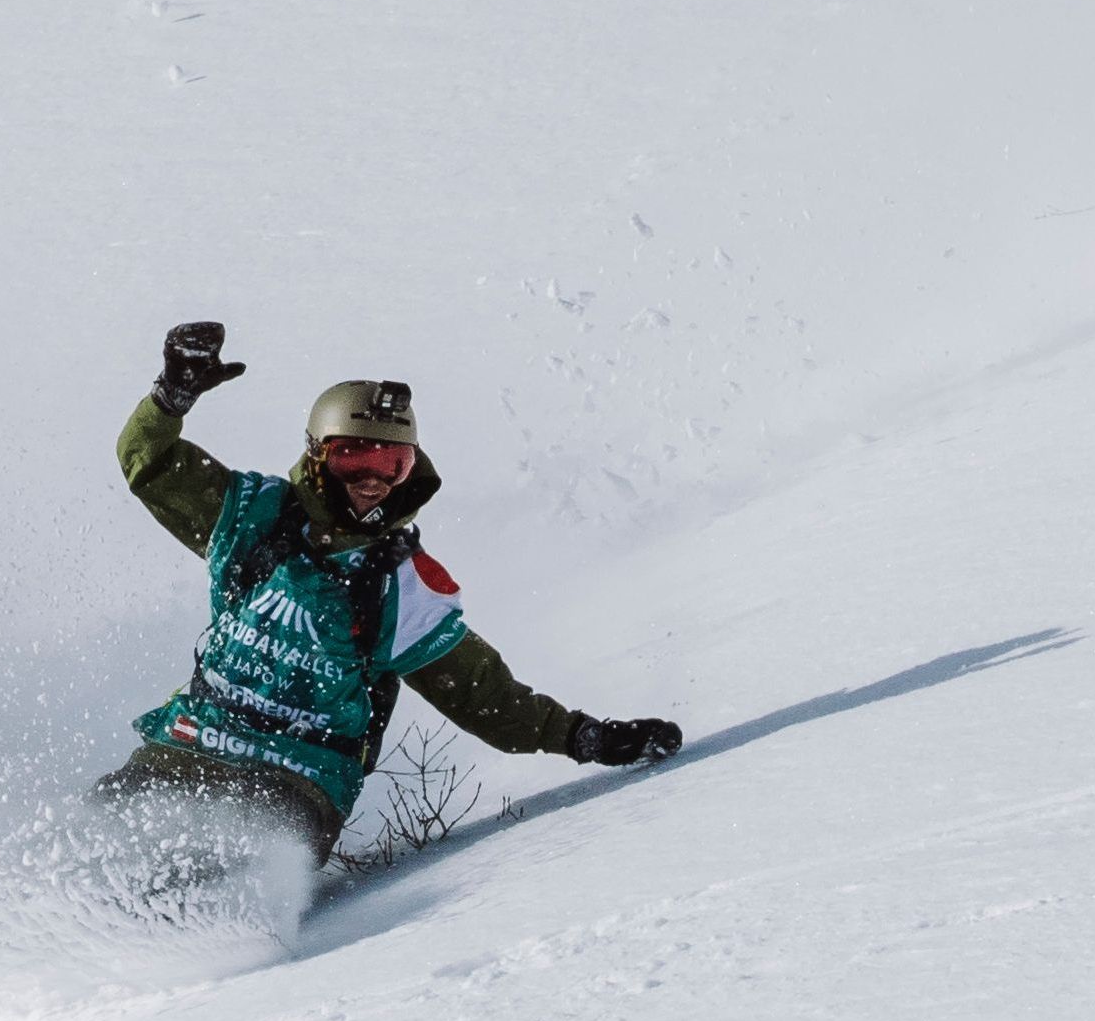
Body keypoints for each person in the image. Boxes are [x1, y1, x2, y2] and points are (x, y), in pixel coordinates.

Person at [106, 320, 682, 866]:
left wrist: (590, 738)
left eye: (392, 463)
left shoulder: (405, 584)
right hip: (186, 743)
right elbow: (148, 463)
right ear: (317, 453)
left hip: (299, 779)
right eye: (354, 455)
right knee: (98, 834)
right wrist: (170, 397)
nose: (371, 478)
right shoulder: (250, 514)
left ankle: (206, 945)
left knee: (210, 867)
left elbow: (485, 696)